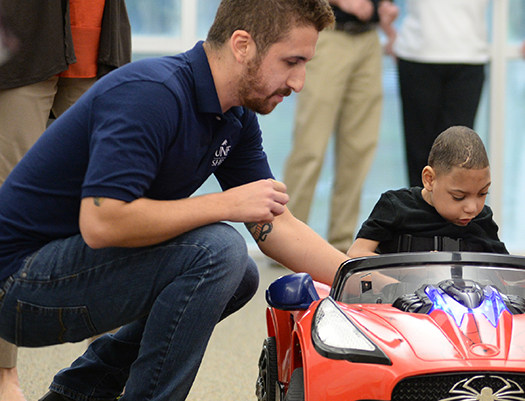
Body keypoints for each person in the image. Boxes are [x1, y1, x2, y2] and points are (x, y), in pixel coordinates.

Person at [0, 0, 349, 400]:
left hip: (66, 272)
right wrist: (227, 204)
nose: (300, 81)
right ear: (242, 45)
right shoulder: (152, 94)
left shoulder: (234, 115)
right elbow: (102, 222)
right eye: (292, 61)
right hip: (15, 286)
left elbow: (276, 225)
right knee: (219, 252)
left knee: (239, 274)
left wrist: (363, 279)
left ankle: (81, 392)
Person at [0, 1, 131, 399]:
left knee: (105, 205)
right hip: (24, 39)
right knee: (7, 210)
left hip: (96, 41)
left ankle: (110, 364)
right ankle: (4, 372)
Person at [381, 0, 525, 188]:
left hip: (468, 58)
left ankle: (451, 217)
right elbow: (385, 8)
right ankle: (420, 217)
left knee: (458, 157)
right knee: (419, 157)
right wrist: (389, 30)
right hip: (417, 56)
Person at [281, 0, 398, 252]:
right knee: (310, 146)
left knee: (359, 149)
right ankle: (286, 241)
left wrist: (384, 8)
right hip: (329, 36)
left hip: (368, 38)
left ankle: (341, 245)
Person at [349, 126, 524, 257]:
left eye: (482, 193)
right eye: (459, 197)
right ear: (430, 179)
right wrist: (411, 272)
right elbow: (356, 254)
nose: (472, 208)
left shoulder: (482, 220)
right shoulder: (396, 206)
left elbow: (505, 272)